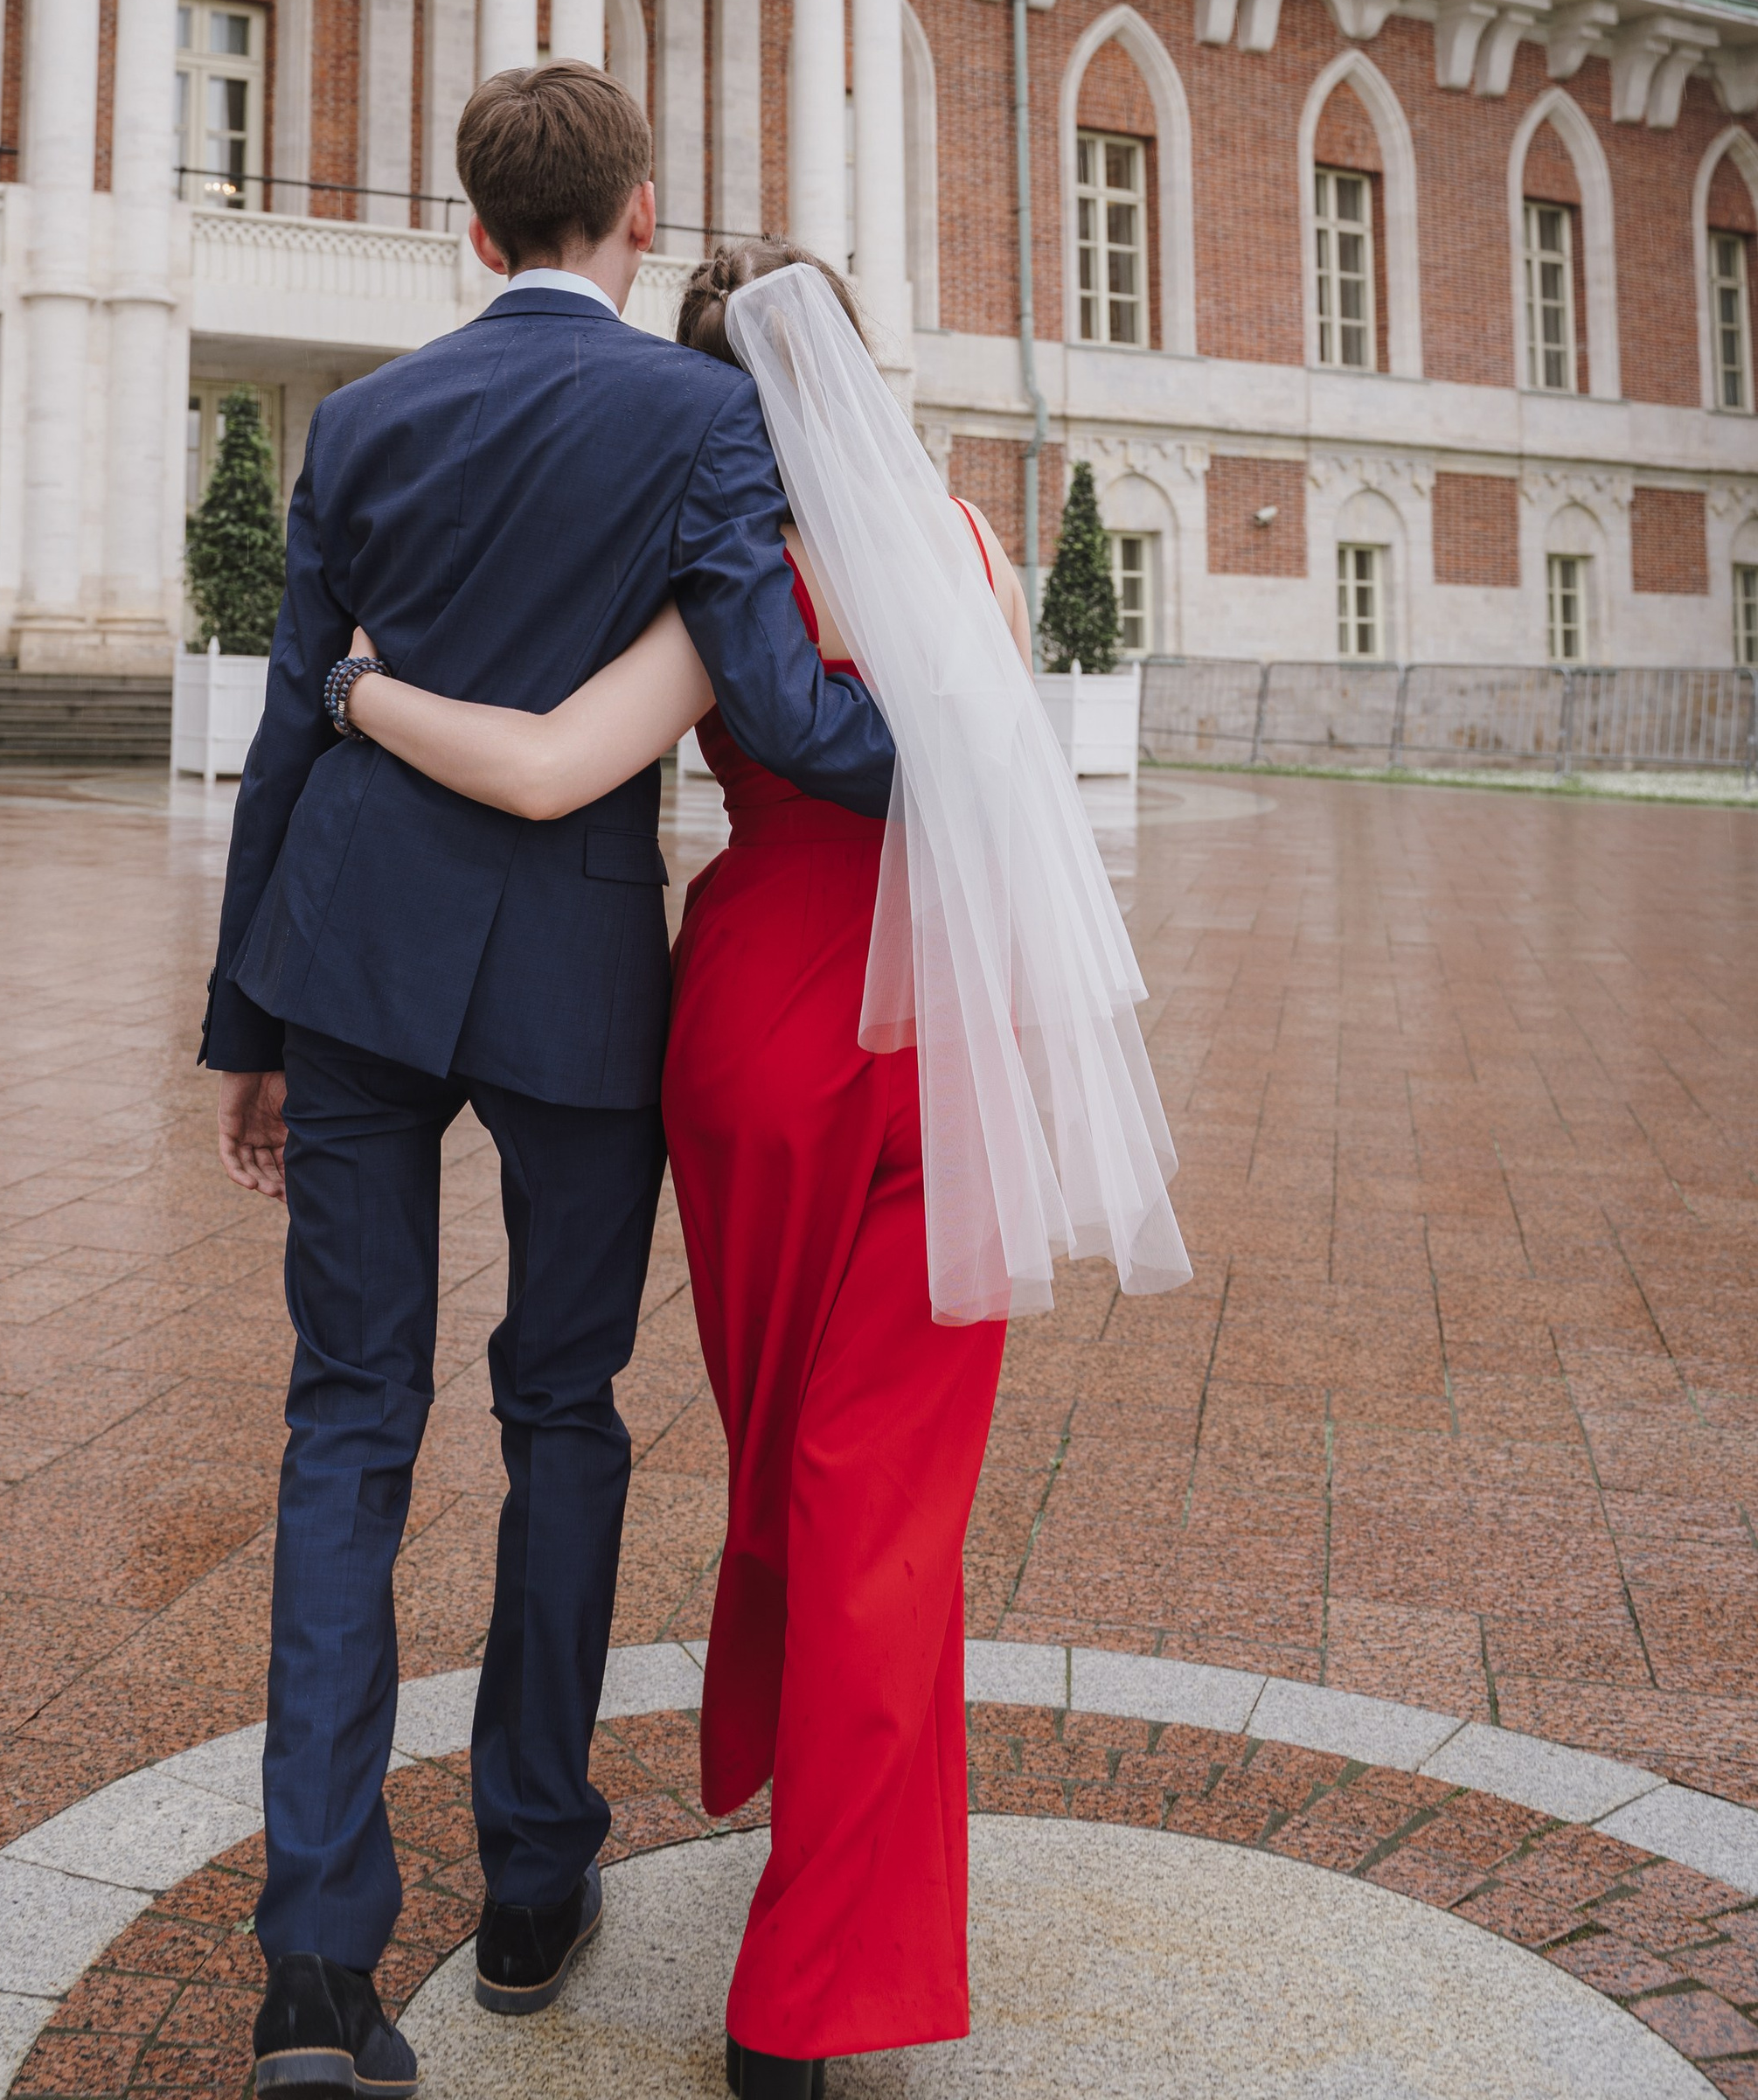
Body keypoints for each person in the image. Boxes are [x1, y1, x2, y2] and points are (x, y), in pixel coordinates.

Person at [336, 242, 1189, 2098]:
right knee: (881, 1515)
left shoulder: (720, 588)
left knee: (787, 1462)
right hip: (941, 1047)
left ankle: (789, 1814)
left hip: (748, 1048)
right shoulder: (960, 551)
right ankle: (802, 1999)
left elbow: (558, 769)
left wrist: (366, 699)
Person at [202, 68, 898, 2098]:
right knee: (559, 1409)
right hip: (579, 986)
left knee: (345, 1427)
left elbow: (284, 732)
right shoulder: (703, 417)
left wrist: (243, 1022)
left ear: (475, 232)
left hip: (341, 954)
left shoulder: (360, 416)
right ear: (637, 212)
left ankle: (316, 1980)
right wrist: (961, 748)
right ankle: (529, 1882)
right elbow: (778, 704)